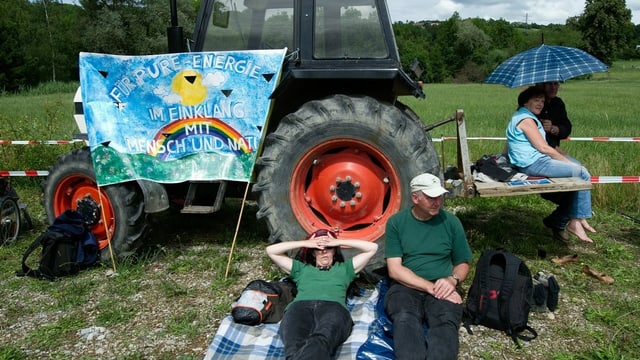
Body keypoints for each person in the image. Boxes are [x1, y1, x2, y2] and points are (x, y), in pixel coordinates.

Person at [384, 173, 473, 360]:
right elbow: (394, 269)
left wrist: (452, 279)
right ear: (415, 198)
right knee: (404, 317)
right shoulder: (397, 223)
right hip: (406, 285)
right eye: (431, 197)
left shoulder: (451, 222)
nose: (437, 202)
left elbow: (462, 263)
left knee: (446, 322)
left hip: (443, 284)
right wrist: (431, 288)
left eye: (439, 196)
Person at [265, 229, 378, 360]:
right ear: (313, 253)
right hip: (299, 307)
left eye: (329, 248)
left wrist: (338, 241)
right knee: (293, 345)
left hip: (334, 308)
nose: (324, 251)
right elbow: (271, 251)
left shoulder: (345, 269)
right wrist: (306, 243)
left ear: (334, 251)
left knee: (321, 340)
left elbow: (372, 248)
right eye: (319, 248)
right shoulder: (301, 269)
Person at [506, 86, 596, 242]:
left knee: (576, 183)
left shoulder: (522, 116)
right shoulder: (526, 120)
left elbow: (511, 143)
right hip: (535, 163)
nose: (540, 104)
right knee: (581, 173)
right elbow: (543, 147)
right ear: (525, 101)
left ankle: (561, 220)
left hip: (534, 161)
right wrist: (571, 165)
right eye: (536, 100)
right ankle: (577, 220)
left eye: (542, 101)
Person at [537, 81, 574, 242]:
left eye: (556, 84)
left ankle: (557, 220)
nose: (554, 87)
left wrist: (554, 129)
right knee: (577, 177)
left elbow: (567, 127)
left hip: (555, 152)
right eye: (549, 84)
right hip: (539, 156)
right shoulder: (532, 106)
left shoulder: (558, 104)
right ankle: (560, 222)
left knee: (581, 180)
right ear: (541, 85)